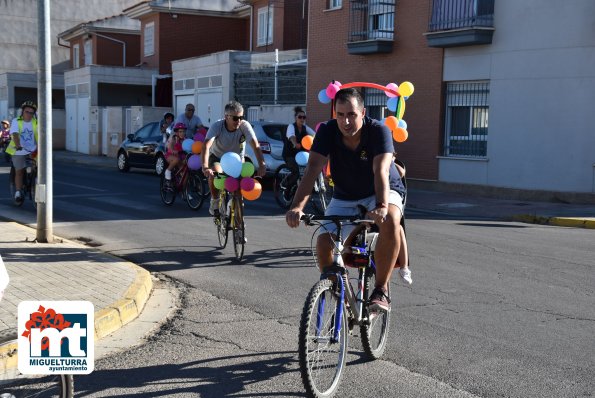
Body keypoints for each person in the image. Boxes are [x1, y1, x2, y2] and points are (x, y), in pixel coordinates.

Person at [285, 88, 411, 313]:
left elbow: (380, 170)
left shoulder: (378, 131)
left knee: (390, 219)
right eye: (340, 114)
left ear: (363, 112)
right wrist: (297, 207)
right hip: (345, 195)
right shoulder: (328, 131)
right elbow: (313, 168)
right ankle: (339, 292)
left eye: (351, 114)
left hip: (382, 189)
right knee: (324, 243)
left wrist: (382, 206)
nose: (346, 121)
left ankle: (380, 289)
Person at [202, 101, 267, 215]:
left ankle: (236, 212)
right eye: (236, 118)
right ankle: (215, 200)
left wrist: (262, 164)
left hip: (237, 160)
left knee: (239, 186)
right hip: (218, 157)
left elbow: (256, 146)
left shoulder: (244, 126)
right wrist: (205, 166)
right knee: (216, 174)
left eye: (241, 117)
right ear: (226, 117)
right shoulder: (217, 126)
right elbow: (206, 145)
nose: (239, 121)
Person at [5, 101, 38, 202]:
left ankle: (34, 182)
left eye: (31, 113)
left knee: (40, 168)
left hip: (32, 149)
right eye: (27, 112)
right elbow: (15, 134)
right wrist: (18, 145)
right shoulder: (16, 121)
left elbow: (42, 134)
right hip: (18, 149)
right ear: (22, 111)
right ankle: (18, 192)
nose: (29, 114)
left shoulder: (36, 122)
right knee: (19, 171)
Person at [282, 106, 316, 194]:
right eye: (300, 117)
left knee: (309, 168)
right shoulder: (291, 126)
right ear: (295, 118)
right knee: (296, 172)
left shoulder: (305, 128)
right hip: (289, 154)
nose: (302, 119)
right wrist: (295, 143)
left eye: (304, 117)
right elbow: (291, 136)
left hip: (300, 155)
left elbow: (314, 135)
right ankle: (286, 188)